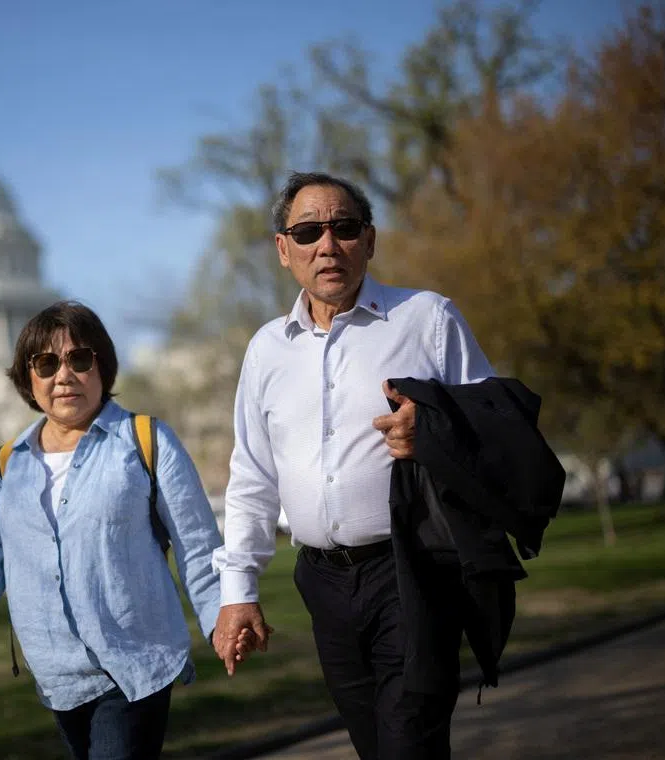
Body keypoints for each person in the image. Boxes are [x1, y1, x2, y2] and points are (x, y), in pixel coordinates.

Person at [210, 172, 495, 759]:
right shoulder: (267, 349)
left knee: (408, 743)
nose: (328, 245)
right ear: (284, 249)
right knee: (375, 745)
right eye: (309, 231)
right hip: (323, 583)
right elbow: (252, 479)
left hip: (412, 572)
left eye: (343, 228)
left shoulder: (428, 319)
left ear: (369, 239)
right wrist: (237, 592)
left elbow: (498, 425)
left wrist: (434, 427)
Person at [0, 300, 222, 760]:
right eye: (46, 363)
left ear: (103, 367)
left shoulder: (144, 441)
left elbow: (197, 544)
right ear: (28, 379)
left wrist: (224, 617)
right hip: (57, 676)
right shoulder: (7, 465)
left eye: (80, 359)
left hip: (134, 663)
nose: (64, 375)